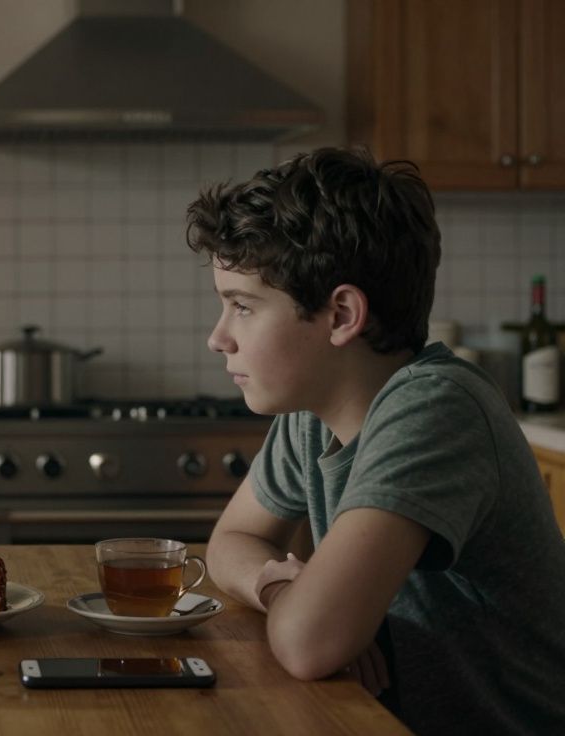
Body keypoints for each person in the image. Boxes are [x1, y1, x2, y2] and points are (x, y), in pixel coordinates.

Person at [187, 147, 565, 734]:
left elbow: (310, 643)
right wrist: (280, 584)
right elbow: (230, 542)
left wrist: (310, 611)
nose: (218, 338)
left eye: (242, 307)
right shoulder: (314, 411)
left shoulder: (436, 409)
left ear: (341, 315)